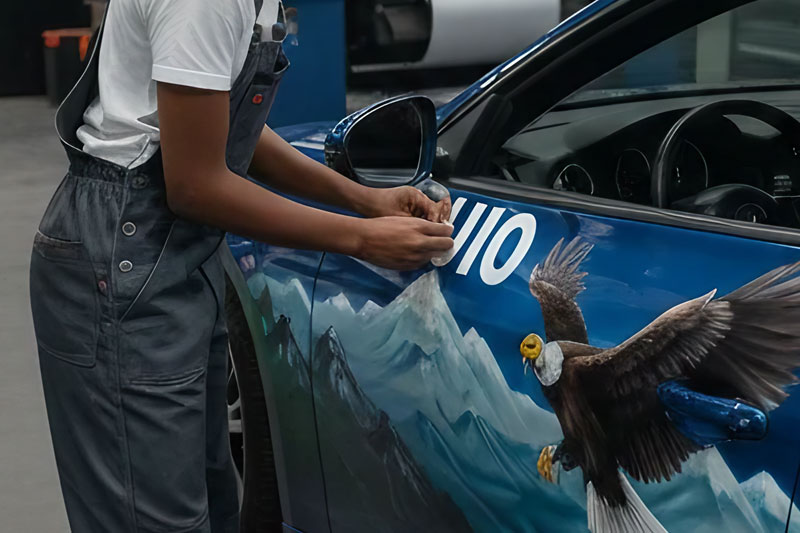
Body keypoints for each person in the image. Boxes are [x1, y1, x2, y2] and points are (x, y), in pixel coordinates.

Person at [28, 0, 454, 531]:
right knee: (152, 517)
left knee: (207, 502)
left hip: (176, 251)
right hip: (121, 252)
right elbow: (195, 185)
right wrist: (361, 238)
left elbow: (223, 128)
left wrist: (366, 200)